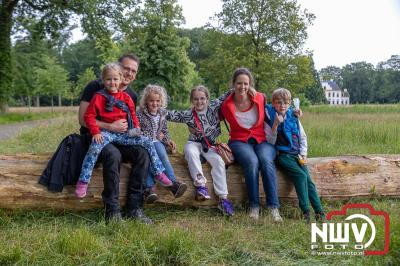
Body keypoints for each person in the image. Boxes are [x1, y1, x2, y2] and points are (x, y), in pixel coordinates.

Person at [76, 63, 172, 199]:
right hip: (106, 133)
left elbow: (132, 115)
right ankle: (83, 180)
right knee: (95, 147)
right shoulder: (98, 97)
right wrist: (96, 132)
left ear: (120, 80)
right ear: (103, 80)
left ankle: (158, 172)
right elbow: (89, 116)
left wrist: (136, 130)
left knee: (148, 142)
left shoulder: (126, 98)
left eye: (115, 79)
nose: (112, 82)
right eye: (109, 79)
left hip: (124, 134)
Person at [79, 54, 152, 223]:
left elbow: (132, 123)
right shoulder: (95, 86)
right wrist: (110, 127)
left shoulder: (131, 95)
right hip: (96, 137)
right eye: (126, 68)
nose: (129, 73)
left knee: (142, 153)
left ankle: (134, 208)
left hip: (120, 139)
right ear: (118, 67)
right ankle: (112, 211)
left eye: (133, 71)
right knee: (113, 155)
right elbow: (83, 119)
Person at [220, 68, 283, 222]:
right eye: (239, 83)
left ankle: (273, 207)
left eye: (246, 83)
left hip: (262, 140)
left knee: (266, 161)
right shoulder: (226, 105)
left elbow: (279, 107)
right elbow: (211, 113)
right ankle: (254, 206)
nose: (243, 87)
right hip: (239, 141)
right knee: (252, 161)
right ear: (233, 84)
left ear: (250, 84)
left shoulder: (260, 98)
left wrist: (294, 112)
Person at [166, 85, 234, 216]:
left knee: (219, 162)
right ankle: (201, 186)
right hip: (194, 143)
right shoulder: (188, 114)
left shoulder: (214, 106)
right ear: (192, 101)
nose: (199, 102)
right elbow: (170, 114)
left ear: (208, 99)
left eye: (202, 98)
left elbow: (227, 94)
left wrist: (246, 88)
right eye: (196, 99)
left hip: (210, 145)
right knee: (190, 152)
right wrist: (154, 105)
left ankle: (223, 198)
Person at [265, 88, 325, 222]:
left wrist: (303, 153)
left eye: (286, 103)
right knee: (301, 175)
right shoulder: (271, 116)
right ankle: (306, 211)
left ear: (289, 103)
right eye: (279, 103)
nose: (282, 106)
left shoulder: (294, 117)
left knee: (310, 183)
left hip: (297, 155)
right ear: (273, 103)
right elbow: (270, 141)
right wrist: (275, 124)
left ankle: (319, 212)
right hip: (283, 156)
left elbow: (302, 136)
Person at [137, 84, 188, 203]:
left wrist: (167, 140)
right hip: (144, 143)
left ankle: (173, 183)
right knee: (148, 159)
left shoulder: (162, 113)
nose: (155, 104)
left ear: (161, 101)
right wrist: (153, 135)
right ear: (146, 101)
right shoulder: (140, 114)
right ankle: (150, 188)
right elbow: (138, 131)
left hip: (157, 142)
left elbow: (164, 131)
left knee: (163, 154)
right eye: (151, 101)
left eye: (157, 101)